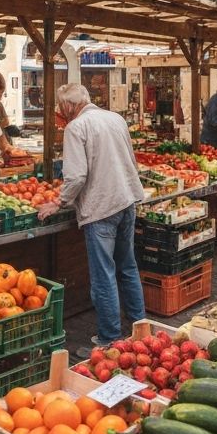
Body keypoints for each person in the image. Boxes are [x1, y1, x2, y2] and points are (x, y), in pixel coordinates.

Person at [38, 84, 146, 344]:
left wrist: (59, 202)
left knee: (104, 275)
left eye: (61, 109)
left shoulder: (77, 128)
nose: (61, 115)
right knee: (128, 267)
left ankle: (110, 338)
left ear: (68, 107)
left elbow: (76, 176)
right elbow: (131, 161)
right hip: (126, 201)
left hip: (101, 209)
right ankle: (141, 330)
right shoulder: (115, 118)